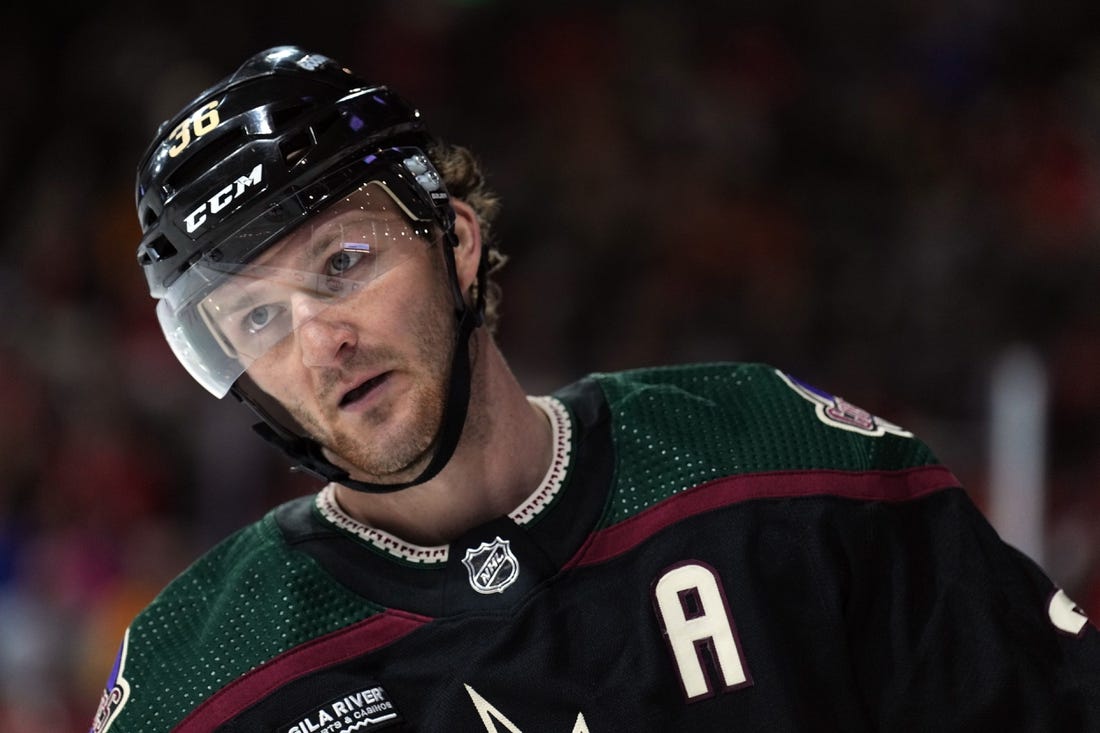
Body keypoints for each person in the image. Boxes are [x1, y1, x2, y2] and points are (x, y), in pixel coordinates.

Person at [91, 46, 1099, 733]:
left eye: (343, 260)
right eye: (258, 319)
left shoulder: (774, 464)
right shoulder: (202, 684)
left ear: (455, 238)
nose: (320, 339)